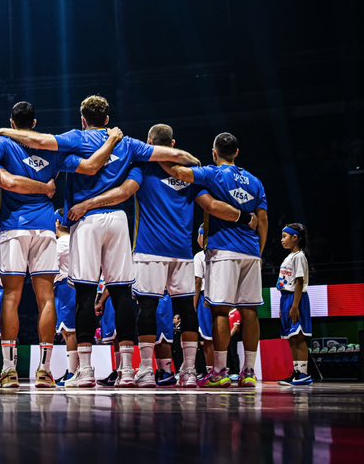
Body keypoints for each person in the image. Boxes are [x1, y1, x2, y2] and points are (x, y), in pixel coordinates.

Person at [0, 95, 200, 388]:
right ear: (108, 120)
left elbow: (38, 143)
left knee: (86, 293)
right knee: (122, 293)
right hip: (117, 220)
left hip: (85, 220)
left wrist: (4, 131)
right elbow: (175, 156)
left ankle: (85, 370)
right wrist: (193, 163)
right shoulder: (128, 144)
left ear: (83, 119)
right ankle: (128, 370)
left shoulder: (75, 138)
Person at [0, 101, 121, 388]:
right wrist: (111, 141)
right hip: (45, 229)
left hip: (14, 229)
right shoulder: (51, 147)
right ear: (34, 124)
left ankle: (8, 369)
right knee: (46, 298)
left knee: (11, 297)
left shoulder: (3, 144)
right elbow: (92, 165)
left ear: (11, 121)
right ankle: (45, 370)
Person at [67, 123, 245, 388]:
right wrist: (245, 217)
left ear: (150, 144)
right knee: (186, 309)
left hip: (150, 250)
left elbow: (124, 193)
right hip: (183, 252)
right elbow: (210, 205)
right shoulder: (191, 174)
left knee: (147, 308)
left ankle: (147, 371)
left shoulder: (144, 168)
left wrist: (88, 204)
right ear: (172, 145)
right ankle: (188, 372)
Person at [160, 132, 268, 388]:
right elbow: (262, 221)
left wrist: (156, 155)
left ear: (214, 152)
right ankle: (248, 370)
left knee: (220, 310)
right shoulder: (255, 181)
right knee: (250, 311)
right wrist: (259, 253)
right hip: (251, 252)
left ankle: (219, 371)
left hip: (224, 250)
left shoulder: (212, 173)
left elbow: (180, 174)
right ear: (237, 153)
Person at [277, 223, 313, 386]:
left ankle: (304, 373)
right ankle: (297, 372)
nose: (282, 239)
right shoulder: (289, 256)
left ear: (295, 238)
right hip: (286, 298)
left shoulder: (299, 256)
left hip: (295, 298)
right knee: (291, 338)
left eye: (285, 236)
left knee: (299, 337)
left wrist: (294, 306)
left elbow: (299, 282)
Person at [54, 212, 78, 387]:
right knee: (68, 330)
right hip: (75, 286)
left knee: (69, 330)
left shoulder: (61, 243)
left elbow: (49, 266)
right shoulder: (75, 240)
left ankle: (73, 371)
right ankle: (73, 369)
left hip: (65, 287)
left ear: (57, 223)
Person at [193, 227, 214, 379]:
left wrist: (192, 306)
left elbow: (197, 282)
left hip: (205, 297)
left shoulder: (199, 256)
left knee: (208, 338)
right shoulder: (220, 254)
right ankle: (218, 369)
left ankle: (212, 372)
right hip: (220, 297)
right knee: (216, 337)